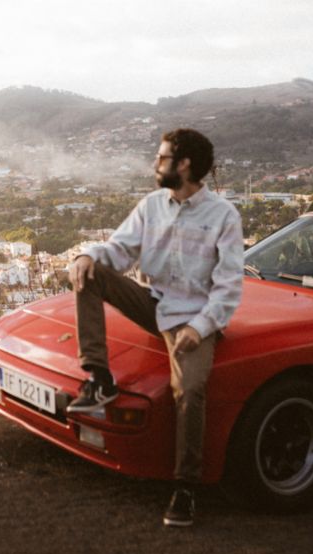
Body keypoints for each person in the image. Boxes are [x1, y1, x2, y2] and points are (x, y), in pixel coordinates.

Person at [66, 128, 244, 527]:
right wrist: (86, 255)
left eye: (161, 158)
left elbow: (229, 287)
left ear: (183, 165)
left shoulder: (223, 216)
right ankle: (98, 377)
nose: (154, 164)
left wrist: (200, 328)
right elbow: (117, 251)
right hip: (153, 301)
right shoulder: (151, 206)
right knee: (87, 272)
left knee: (190, 390)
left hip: (193, 315)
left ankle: (186, 487)